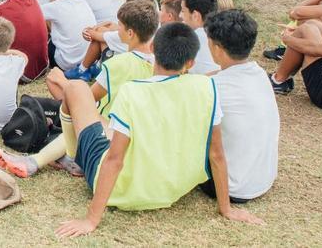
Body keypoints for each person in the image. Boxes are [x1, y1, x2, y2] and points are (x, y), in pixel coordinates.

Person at [53, 23, 262, 237]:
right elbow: (216, 154)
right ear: (191, 62)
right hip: (173, 189)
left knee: (76, 88)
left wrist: (91, 219)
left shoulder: (132, 91)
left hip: (123, 190)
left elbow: (114, 160)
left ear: (152, 48)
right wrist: (225, 208)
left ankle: (72, 158)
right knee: (107, 126)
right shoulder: (207, 87)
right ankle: (72, 156)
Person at [0, 0, 158, 180]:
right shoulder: (156, 63)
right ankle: (49, 157)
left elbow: (88, 97)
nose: (117, 30)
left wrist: (64, 82)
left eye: (120, 27)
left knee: (60, 82)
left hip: (109, 126)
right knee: (61, 86)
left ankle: (39, 161)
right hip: (131, 128)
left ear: (130, 33)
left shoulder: (119, 64)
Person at [205, 9, 279, 203]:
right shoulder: (259, 73)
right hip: (263, 178)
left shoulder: (213, 88)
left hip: (232, 187)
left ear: (217, 48)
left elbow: (213, 150)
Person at [40, 0, 95, 72]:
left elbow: (30, 14)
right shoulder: (82, 2)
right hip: (87, 60)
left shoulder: (55, 7)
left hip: (65, 63)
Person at [179, 0, 220, 75]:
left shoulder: (190, 39)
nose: (180, 15)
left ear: (195, 16)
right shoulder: (224, 37)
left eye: (183, 11)